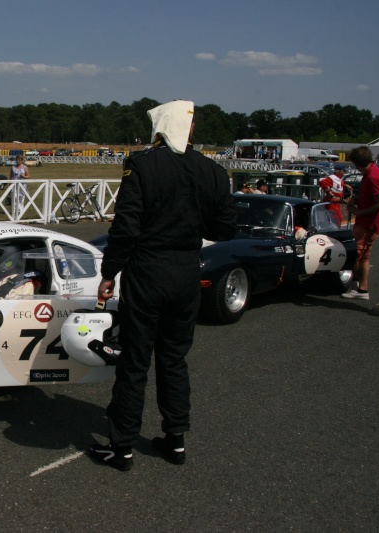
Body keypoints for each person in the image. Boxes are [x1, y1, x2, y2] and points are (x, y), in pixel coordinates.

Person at [88, 100, 237, 472]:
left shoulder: (142, 166)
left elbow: (125, 229)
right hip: (187, 272)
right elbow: (224, 229)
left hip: (148, 272)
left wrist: (109, 273)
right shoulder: (214, 172)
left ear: (160, 127)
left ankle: (121, 448)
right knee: (174, 360)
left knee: (134, 362)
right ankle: (176, 440)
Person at [341, 146, 379, 300]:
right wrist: (358, 199)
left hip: (368, 222)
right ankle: (362, 289)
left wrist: (357, 211)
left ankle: (358, 283)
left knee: (354, 254)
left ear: (356, 162)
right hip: (369, 221)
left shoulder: (373, 176)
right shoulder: (373, 172)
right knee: (365, 256)